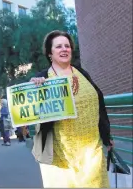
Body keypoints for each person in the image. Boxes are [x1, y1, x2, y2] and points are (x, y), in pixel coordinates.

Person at [30, 30, 114, 188]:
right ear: (50, 52)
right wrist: (36, 88)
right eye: (59, 46)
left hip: (91, 150)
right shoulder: (42, 78)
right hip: (61, 154)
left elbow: (99, 103)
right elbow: (34, 113)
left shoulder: (82, 73)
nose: (64, 49)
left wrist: (106, 134)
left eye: (67, 46)